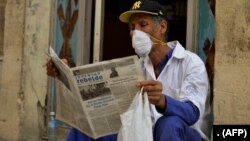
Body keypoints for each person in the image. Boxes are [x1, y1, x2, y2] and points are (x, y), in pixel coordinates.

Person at [47, 0, 211, 141]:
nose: (135, 32)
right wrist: (64, 75)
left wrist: (162, 100)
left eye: (143, 24)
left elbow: (192, 112)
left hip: (183, 135)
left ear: (162, 27)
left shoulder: (191, 62)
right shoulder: (137, 67)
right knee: (86, 127)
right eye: (132, 27)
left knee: (169, 123)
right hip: (144, 135)